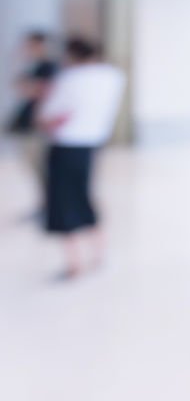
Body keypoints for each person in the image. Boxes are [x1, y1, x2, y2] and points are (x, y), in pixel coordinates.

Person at [37, 37, 124, 280]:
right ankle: (100, 253)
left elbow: (48, 117)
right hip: (92, 143)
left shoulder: (69, 79)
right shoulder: (112, 77)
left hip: (66, 145)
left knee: (63, 203)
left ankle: (74, 263)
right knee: (84, 195)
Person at [6, 31, 58, 210]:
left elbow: (39, 91)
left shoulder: (50, 66)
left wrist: (29, 87)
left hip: (39, 125)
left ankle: (49, 205)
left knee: (41, 167)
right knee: (34, 166)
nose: (26, 50)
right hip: (31, 124)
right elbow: (19, 86)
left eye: (30, 46)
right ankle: (46, 204)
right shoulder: (36, 67)